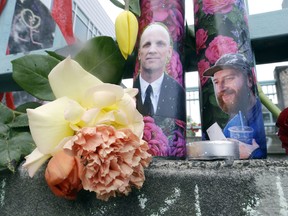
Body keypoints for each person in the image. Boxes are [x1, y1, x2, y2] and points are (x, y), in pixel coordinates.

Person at [203, 53, 267, 159]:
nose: (221, 87)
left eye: (229, 78)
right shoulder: (232, 125)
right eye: (216, 82)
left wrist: (252, 154)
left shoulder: (267, 116)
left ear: (249, 80)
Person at [133, 22, 186, 122]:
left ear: (169, 52)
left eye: (160, 44)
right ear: (139, 54)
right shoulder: (128, 96)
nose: (152, 50)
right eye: (146, 45)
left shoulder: (179, 93)